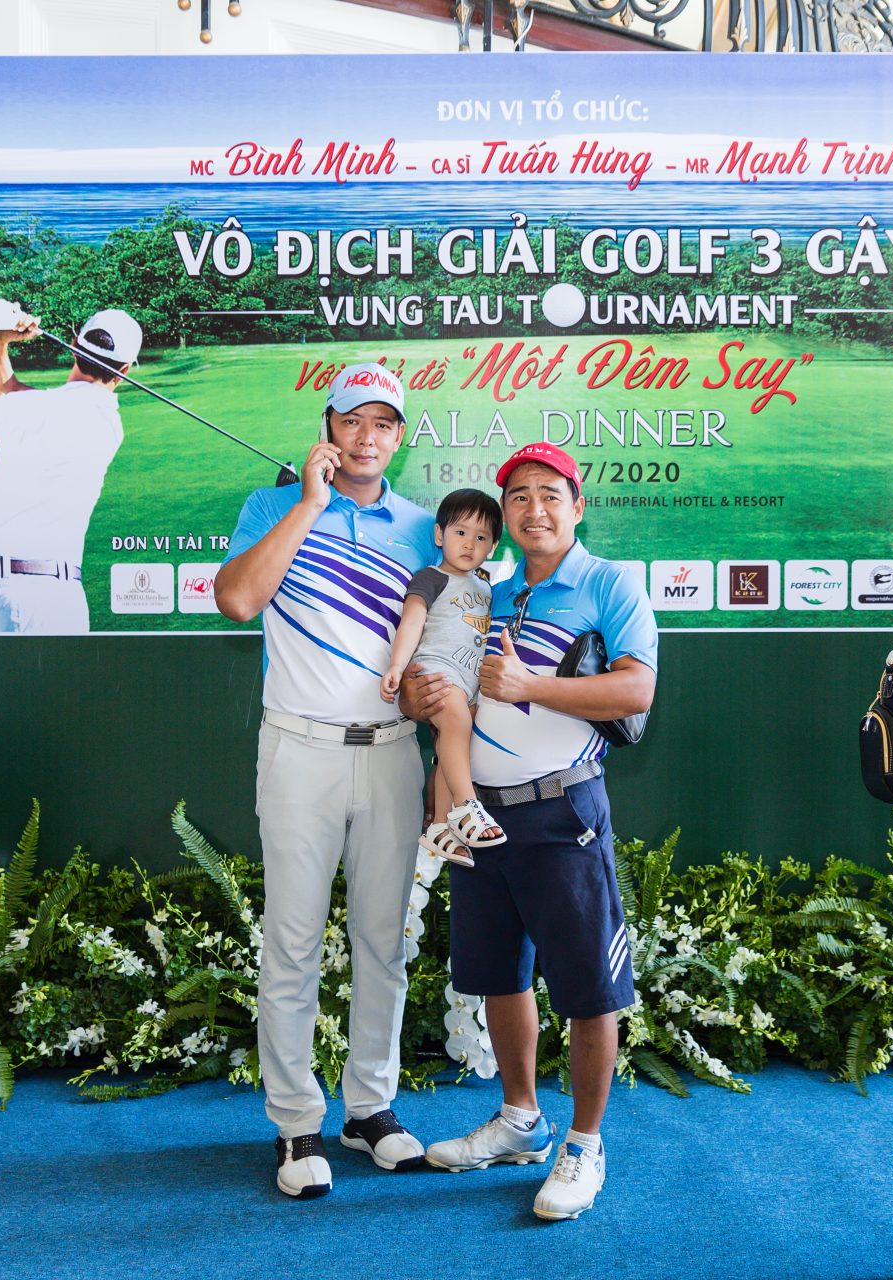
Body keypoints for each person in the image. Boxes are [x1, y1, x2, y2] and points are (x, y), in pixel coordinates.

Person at [413, 442, 659, 1222]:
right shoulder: (489, 589)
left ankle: (584, 1143)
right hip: (481, 815)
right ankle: (521, 1119)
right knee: (499, 975)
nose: (534, 509)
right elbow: (455, 693)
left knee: (588, 989)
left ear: (577, 506)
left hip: (563, 814)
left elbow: (636, 690)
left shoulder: (610, 582)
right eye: (518, 496)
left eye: (550, 494)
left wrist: (531, 684)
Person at [212, 361, 440, 1201]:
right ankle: (295, 1121)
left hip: (392, 751)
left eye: (382, 423)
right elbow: (237, 601)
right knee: (294, 940)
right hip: (298, 749)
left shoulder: (425, 529)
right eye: (352, 421)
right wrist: (307, 504)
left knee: (384, 940)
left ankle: (369, 1108)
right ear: (329, 427)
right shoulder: (271, 506)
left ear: (398, 436)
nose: (366, 438)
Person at [0, 297, 142, 635]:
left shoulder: (37, 409)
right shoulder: (108, 424)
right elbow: (6, 393)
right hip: (65, 599)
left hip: (9, 592)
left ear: (74, 344)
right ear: (123, 371)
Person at [379, 488, 508, 868]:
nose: (469, 544)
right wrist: (397, 667)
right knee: (455, 723)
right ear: (440, 535)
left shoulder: (487, 589)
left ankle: (439, 826)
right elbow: (412, 621)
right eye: (460, 532)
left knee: (453, 748)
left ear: (493, 546)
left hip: (470, 683)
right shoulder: (431, 577)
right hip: (436, 671)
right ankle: (467, 805)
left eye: (481, 537)